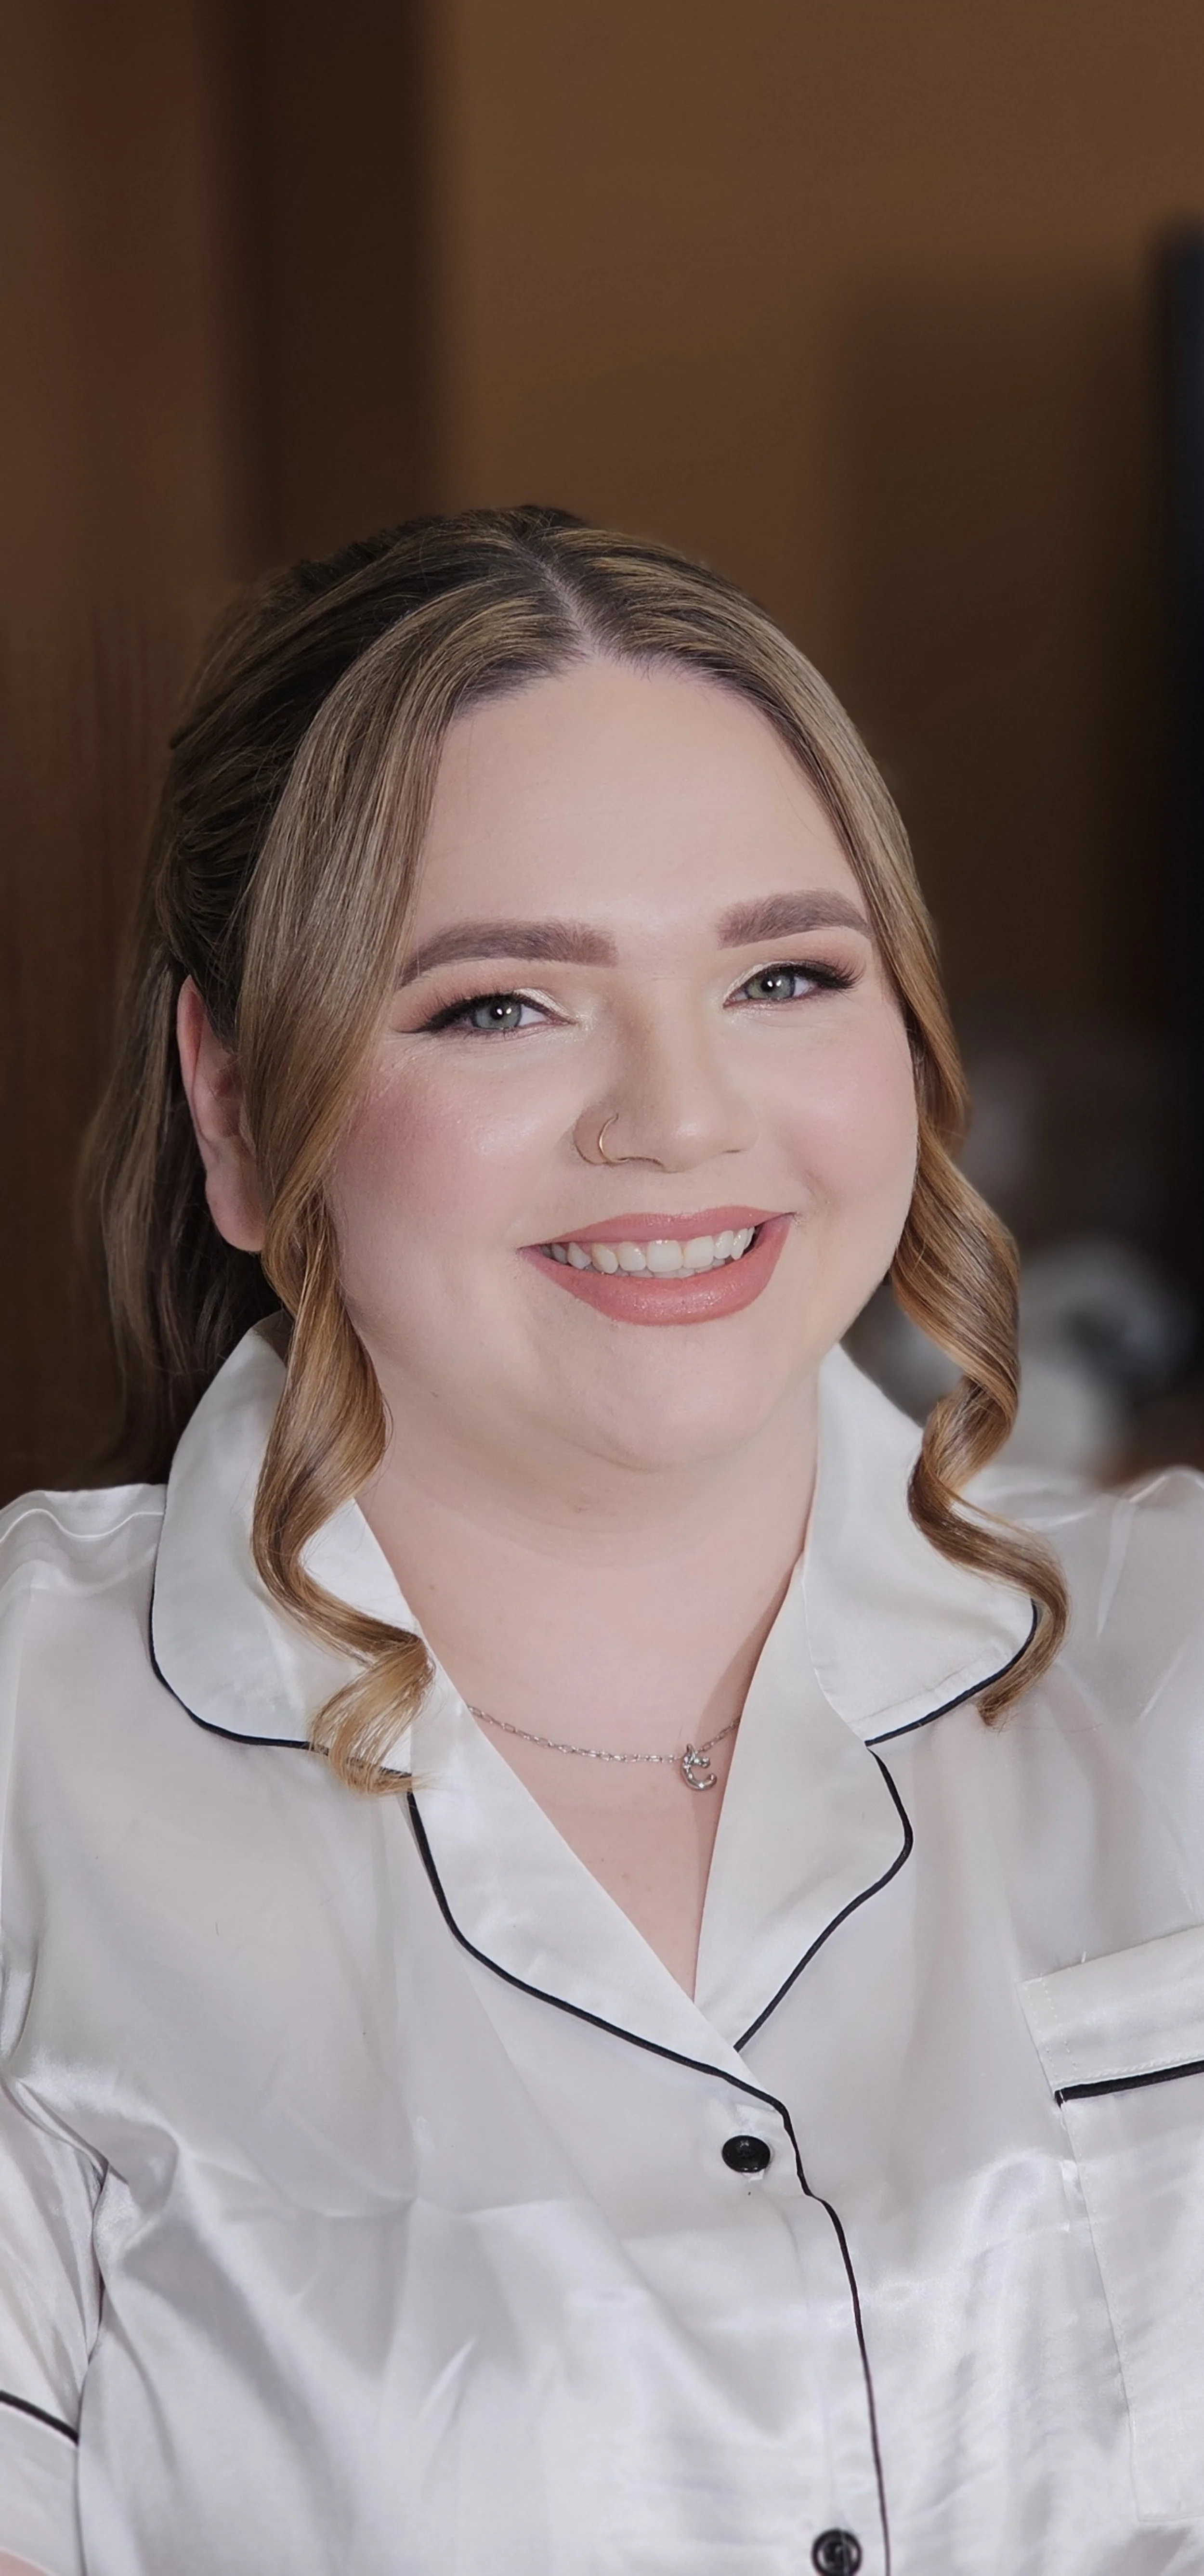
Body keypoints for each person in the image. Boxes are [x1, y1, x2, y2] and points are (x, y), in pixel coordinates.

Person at [0, 508, 1200, 2576]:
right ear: (229, 1107)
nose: (678, 1114)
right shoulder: (35, 1777)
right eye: (497, 1006)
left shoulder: (1174, 1660)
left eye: (782, 974)